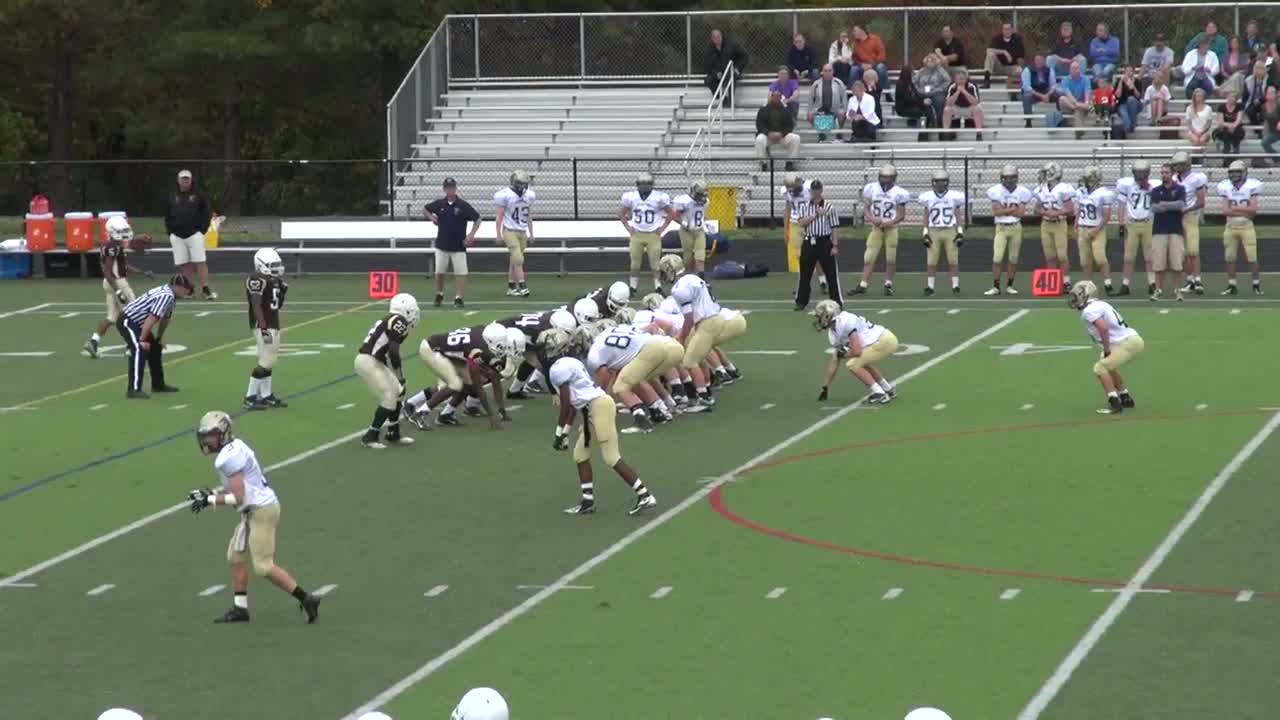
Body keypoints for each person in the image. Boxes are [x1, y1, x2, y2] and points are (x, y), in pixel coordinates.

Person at [187, 411, 322, 624]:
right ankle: (240, 609)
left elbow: (239, 497)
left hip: (261, 510)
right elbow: (239, 486)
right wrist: (211, 493)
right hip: (253, 509)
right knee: (236, 556)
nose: (206, 440)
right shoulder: (236, 446)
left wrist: (211, 500)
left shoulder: (227, 458)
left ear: (222, 433)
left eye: (211, 435)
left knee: (264, 566)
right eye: (204, 436)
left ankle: (307, 599)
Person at [541, 329, 656, 516]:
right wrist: (564, 432)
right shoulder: (571, 362)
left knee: (611, 457)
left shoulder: (558, 369)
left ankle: (645, 495)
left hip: (598, 407)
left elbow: (565, 404)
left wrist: (558, 433)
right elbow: (572, 404)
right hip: (591, 409)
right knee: (580, 455)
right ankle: (588, 501)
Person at [660, 253, 748, 407]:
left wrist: (680, 337)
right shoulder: (693, 278)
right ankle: (707, 386)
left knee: (689, 361)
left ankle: (704, 398)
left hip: (708, 323)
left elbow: (688, 319)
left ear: (670, 269)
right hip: (714, 318)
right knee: (698, 355)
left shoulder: (679, 289)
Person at [1067, 280, 1144, 416]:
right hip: (1131, 339)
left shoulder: (1089, 310)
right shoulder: (1100, 304)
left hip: (1125, 343)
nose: (1075, 299)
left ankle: (1115, 403)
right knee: (1108, 365)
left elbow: (1103, 328)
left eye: (1078, 295)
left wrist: (1107, 349)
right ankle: (1125, 397)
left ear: (1086, 295)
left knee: (1100, 367)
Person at [355, 293, 418, 449]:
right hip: (368, 361)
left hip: (372, 360)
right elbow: (393, 352)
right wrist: (400, 375)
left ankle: (393, 433)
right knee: (389, 397)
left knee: (398, 391)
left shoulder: (390, 318)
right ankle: (370, 436)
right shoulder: (399, 321)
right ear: (407, 310)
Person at [84, 215, 150, 359]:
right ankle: (131, 346)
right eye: (121, 231)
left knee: (112, 317)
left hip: (110, 283)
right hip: (117, 282)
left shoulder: (111, 245)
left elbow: (123, 266)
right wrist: (119, 289)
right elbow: (108, 271)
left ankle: (93, 342)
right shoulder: (113, 247)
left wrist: (142, 272)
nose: (124, 234)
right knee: (136, 313)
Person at [117, 274, 193, 398]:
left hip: (138, 324)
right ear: (176, 286)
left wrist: (158, 338)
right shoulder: (166, 295)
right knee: (138, 349)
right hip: (128, 321)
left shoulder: (171, 297)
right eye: (185, 288)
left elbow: (165, 319)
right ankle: (133, 389)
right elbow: (152, 318)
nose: (187, 291)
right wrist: (141, 340)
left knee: (155, 348)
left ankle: (158, 385)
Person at [813, 300, 899, 405]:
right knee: (862, 363)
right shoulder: (834, 331)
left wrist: (844, 354)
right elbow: (835, 359)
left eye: (819, 316)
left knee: (853, 364)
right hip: (881, 340)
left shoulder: (844, 323)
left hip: (884, 340)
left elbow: (857, 351)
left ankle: (879, 393)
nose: (817, 319)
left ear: (827, 315)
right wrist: (825, 387)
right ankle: (887, 389)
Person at [242, 248, 288, 410]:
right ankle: (250, 397)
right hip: (263, 324)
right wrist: (263, 328)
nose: (277, 267)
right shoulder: (256, 279)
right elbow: (256, 305)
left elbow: (277, 305)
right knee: (266, 361)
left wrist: (282, 291)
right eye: (272, 264)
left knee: (271, 361)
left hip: (273, 322)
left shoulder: (274, 279)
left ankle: (267, 395)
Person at [853, 164, 909, 296]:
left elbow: (901, 215)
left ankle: (888, 284)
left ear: (893, 178)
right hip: (876, 228)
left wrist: (890, 222)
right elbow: (866, 209)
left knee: (891, 258)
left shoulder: (899, 192)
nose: (885, 180)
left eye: (887, 177)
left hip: (891, 228)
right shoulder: (872, 188)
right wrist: (873, 219)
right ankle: (863, 284)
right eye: (883, 177)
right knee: (869, 257)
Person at [425, 177, 480, 308]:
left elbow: (477, 219)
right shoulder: (439, 204)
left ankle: (459, 297)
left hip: (459, 246)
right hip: (442, 245)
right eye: (448, 187)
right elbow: (425, 209)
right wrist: (431, 217)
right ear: (444, 189)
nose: (450, 190)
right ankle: (439, 293)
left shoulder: (463, 205)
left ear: (455, 189)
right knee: (439, 271)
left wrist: (471, 234)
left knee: (461, 272)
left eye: (452, 187)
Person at [165, 169, 216, 300]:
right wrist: (170, 232)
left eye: (187, 178)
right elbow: (167, 215)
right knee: (184, 263)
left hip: (194, 234)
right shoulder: (172, 196)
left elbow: (207, 213)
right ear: (178, 180)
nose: (185, 181)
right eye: (183, 178)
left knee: (200, 261)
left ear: (191, 180)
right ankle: (190, 289)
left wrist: (202, 230)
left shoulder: (199, 195)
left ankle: (206, 290)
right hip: (177, 235)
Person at [792, 179, 842, 309]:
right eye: (813, 190)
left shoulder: (829, 207)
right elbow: (802, 223)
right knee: (805, 273)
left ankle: (836, 301)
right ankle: (801, 301)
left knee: (831, 274)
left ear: (821, 190)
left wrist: (835, 245)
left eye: (817, 190)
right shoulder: (804, 206)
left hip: (824, 241)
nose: (815, 192)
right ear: (810, 191)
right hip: (809, 241)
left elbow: (835, 227)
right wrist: (815, 215)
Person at [619, 172, 672, 295]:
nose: (644, 187)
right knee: (635, 263)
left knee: (655, 263)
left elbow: (671, 213)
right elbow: (621, 213)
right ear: (637, 185)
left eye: (646, 184)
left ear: (651, 185)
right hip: (637, 234)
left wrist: (662, 228)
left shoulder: (658, 197)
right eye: (641, 184)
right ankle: (633, 288)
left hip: (653, 234)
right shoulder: (631, 197)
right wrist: (628, 228)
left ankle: (658, 287)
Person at [1217, 160, 1263, 295]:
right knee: (1229, 257)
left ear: (1244, 172)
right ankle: (1232, 285)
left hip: (1246, 227)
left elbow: (1253, 210)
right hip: (1230, 226)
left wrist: (1234, 208)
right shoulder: (1225, 186)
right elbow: (1225, 211)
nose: (1234, 174)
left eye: (1237, 171)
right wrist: (1244, 210)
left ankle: (1256, 284)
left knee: (1252, 257)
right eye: (1232, 172)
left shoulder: (1252, 186)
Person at [985, 165, 1032, 295]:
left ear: (1016, 178)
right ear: (1002, 178)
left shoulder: (1023, 192)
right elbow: (996, 212)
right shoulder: (995, 191)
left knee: (1013, 258)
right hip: (1001, 228)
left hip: (1016, 227)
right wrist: (1012, 210)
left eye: (1012, 178)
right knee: (997, 258)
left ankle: (1009, 285)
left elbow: (1021, 213)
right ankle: (995, 286)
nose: (1009, 180)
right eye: (1007, 178)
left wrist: (1004, 211)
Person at [917, 170, 966, 296]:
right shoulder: (927, 197)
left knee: (953, 260)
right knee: (932, 261)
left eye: (942, 181)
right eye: (937, 182)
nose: (940, 184)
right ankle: (930, 287)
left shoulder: (954, 196)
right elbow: (926, 214)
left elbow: (957, 213)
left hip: (950, 229)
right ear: (933, 183)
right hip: (934, 230)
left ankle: (956, 286)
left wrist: (960, 232)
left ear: (947, 182)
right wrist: (925, 232)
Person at [1115, 160, 1157, 298]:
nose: (1139, 175)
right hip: (1131, 224)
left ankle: (1152, 284)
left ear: (1147, 173)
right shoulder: (1127, 185)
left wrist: (1149, 188)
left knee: (1150, 257)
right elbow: (1121, 205)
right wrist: (1121, 223)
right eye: (1137, 172)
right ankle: (1125, 284)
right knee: (1128, 257)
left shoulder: (1154, 186)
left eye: (1142, 172)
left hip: (1148, 223)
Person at [1034, 162, 1077, 291]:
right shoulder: (1041, 189)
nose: (1044, 175)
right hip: (1046, 224)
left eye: (1046, 172)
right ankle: (1053, 282)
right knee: (1050, 256)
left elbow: (1070, 210)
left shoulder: (1063, 188)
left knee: (1062, 255)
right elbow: (1036, 210)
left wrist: (1056, 213)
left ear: (1054, 174)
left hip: (1059, 224)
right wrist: (1045, 212)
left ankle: (1066, 281)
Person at [493, 169, 535, 297]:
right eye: (521, 183)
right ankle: (522, 285)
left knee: (514, 260)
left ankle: (511, 287)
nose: (523, 186)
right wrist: (498, 234)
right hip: (509, 230)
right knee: (518, 259)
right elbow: (499, 216)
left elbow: (528, 215)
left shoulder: (529, 195)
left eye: (524, 183)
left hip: (522, 231)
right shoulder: (505, 195)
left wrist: (531, 233)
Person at [1172, 151, 1208, 294]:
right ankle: (1190, 280)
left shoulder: (1197, 178)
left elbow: (1201, 202)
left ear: (1187, 164)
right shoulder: (1174, 178)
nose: (1178, 167)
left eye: (1180, 164)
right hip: (1177, 217)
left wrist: (1186, 210)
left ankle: (1198, 281)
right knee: (1182, 253)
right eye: (1176, 164)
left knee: (1193, 250)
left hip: (1190, 217)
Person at [1150, 164, 1187, 301]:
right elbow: (1154, 208)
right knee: (1158, 263)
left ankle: (1178, 290)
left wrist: (1165, 204)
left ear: (1172, 173)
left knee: (1176, 263)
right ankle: (1158, 290)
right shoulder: (1155, 190)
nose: (1164, 175)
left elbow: (1181, 205)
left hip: (1175, 230)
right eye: (1162, 172)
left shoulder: (1180, 189)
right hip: (1159, 230)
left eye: (1166, 172)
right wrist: (1171, 205)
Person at [1075, 166, 1115, 294]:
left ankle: (1108, 285)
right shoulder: (1081, 191)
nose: (1085, 181)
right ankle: (1088, 286)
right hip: (1083, 228)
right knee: (1084, 261)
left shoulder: (1104, 193)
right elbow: (1080, 209)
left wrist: (1096, 230)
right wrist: (1076, 225)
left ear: (1094, 179)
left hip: (1097, 229)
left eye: (1088, 179)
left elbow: (1107, 216)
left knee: (1100, 259)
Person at [670, 179, 711, 275]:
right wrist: (683, 223)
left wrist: (704, 223)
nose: (702, 197)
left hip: (699, 231)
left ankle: (701, 278)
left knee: (700, 255)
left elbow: (703, 215)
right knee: (688, 256)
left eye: (703, 194)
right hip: (686, 231)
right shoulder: (684, 201)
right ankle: (687, 276)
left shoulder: (706, 201)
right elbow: (674, 215)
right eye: (700, 194)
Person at [754, 90, 800, 171]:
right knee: (759, 139)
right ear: (771, 97)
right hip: (768, 136)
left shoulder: (786, 110)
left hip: (782, 136)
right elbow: (759, 125)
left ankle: (790, 163)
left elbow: (790, 126)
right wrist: (768, 133)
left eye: (778, 96)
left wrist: (782, 134)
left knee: (796, 138)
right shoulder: (763, 110)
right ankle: (763, 163)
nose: (776, 98)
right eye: (774, 96)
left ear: (780, 98)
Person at [703, 29, 746, 107]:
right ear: (712, 39)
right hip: (718, 73)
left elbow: (744, 57)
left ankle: (730, 101)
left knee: (731, 77)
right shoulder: (709, 50)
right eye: (715, 37)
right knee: (708, 80)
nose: (717, 39)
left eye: (718, 36)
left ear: (722, 36)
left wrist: (737, 69)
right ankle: (723, 98)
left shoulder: (731, 45)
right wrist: (715, 73)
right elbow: (707, 65)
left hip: (731, 71)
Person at [940, 68, 984, 140]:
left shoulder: (972, 85)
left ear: (966, 78)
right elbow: (948, 103)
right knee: (947, 110)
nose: (960, 81)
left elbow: (975, 102)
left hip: (969, 108)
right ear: (955, 79)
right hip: (956, 108)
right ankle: (946, 133)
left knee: (978, 109)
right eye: (958, 79)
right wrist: (957, 92)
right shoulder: (951, 86)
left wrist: (964, 91)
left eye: (962, 78)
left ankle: (979, 133)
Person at [808, 63, 848, 141]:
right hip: (820, 110)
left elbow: (844, 98)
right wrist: (811, 110)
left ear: (833, 71)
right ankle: (821, 134)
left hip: (835, 110)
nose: (827, 73)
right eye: (825, 71)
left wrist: (844, 109)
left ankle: (839, 133)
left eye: (830, 70)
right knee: (810, 115)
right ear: (822, 72)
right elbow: (811, 99)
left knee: (842, 113)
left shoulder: (839, 83)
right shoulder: (816, 84)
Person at [915, 53, 951, 128]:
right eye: (928, 61)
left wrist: (940, 88)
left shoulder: (940, 70)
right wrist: (918, 90)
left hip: (936, 91)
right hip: (922, 92)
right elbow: (914, 82)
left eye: (932, 61)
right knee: (918, 100)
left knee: (940, 100)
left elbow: (948, 81)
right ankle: (925, 122)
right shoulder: (921, 71)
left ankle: (938, 121)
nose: (930, 63)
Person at [1020, 54, 1058, 125]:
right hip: (1033, 92)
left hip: (1045, 91)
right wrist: (1041, 96)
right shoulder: (1027, 70)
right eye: (1037, 60)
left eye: (1041, 60)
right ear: (1034, 61)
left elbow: (1053, 85)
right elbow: (1026, 87)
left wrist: (1048, 94)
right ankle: (1028, 121)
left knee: (1060, 94)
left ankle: (1061, 119)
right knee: (1026, 96)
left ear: (1044, 61)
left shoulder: (1049, 70)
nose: (1039, 62)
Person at [1057, 61, 1093, 131]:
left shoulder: (1086, 79)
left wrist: (1086, 103)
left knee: (1078, 110)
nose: (1075, 70)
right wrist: (1079, 104)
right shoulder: (1065, 80)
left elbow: (1087, 93)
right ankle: (1079, 107)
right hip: (1069, 105)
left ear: (1080, 69)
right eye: (1073, 68)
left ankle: (1079, 131)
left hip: (1082, 105)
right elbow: (1069, 95)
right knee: (1062, 99)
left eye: (1077, 68)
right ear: (1070, 70)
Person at [851, 24, 888, 90]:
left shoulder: (875, 39)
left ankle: (885, 91)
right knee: (854, 69)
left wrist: (871, 65)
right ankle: (851, 92)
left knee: (881, 67)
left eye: (855, 31)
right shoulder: (855, 44)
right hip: (862, 66)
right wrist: (861, 64)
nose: (853, 33)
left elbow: (882, 55)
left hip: (875, 64)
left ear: (862, 31)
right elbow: (854, 58)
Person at [893, 64, 930, 129]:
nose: (913, 74)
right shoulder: (900, 84)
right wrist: (922, 102)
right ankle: (921, 126)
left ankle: (926, 125)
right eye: (912, 72)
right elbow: (908, 100)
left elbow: (916, 95)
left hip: (911, 105)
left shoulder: (910, 83)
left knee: (927, 109)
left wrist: (924, 99)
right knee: (921, 112)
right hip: (903, 108)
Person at [1214, 93, 1246, 157]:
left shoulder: (1240, 107)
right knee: (1225, 134)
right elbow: (1221, 121)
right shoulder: (1221, 107)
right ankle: (1226, 153)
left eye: (1233, 97)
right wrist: (1230, 126)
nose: (1231, 99)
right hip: (1224, 127)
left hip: (1236, 127)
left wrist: (1233, 126)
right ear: (1227, 98)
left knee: (1237, 132)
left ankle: (1235, 150)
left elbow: (1239, 120)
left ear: (1235, 99)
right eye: (1229, 97)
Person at [1114, 66, 1144, 132]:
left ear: (1133, 72)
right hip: (1122, 104)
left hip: (1136, 104)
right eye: (1127, 71)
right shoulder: (1119, 81)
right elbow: (1118, 95)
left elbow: (1139, 96)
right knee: (1125, 117)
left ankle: (1132, 125)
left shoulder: (1137, 81)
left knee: (1131, 99)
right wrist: (1121, 82)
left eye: (1130, 71)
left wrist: (1133, 85)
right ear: (1124, 72)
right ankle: (1129, 128)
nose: (1129, 73)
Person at [1243, 60, 1270, 125]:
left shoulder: (1269, 80)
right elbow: (1245, 96)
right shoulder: (1248, 80)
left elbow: (1268, 94)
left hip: (1265, 101)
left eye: (1260, 68)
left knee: (1264, 109)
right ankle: (1257, 128)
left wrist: (1259, 100)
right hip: (1252, 103)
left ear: (1265, 70)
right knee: (1249, 110)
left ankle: (1261, 125)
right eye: (1256, 68)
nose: (1258, 71)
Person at [1262, 87, 1280, 160]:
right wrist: (1264, 132)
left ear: (1275, 94)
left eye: (1272, 93)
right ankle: (1277, 159)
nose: (1270, 95)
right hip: (1273, 132)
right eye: (1269, 93)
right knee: (1264, 142)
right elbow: (1266, 120)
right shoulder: (1264, 106)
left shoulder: (1279, 103)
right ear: (1266, 95)